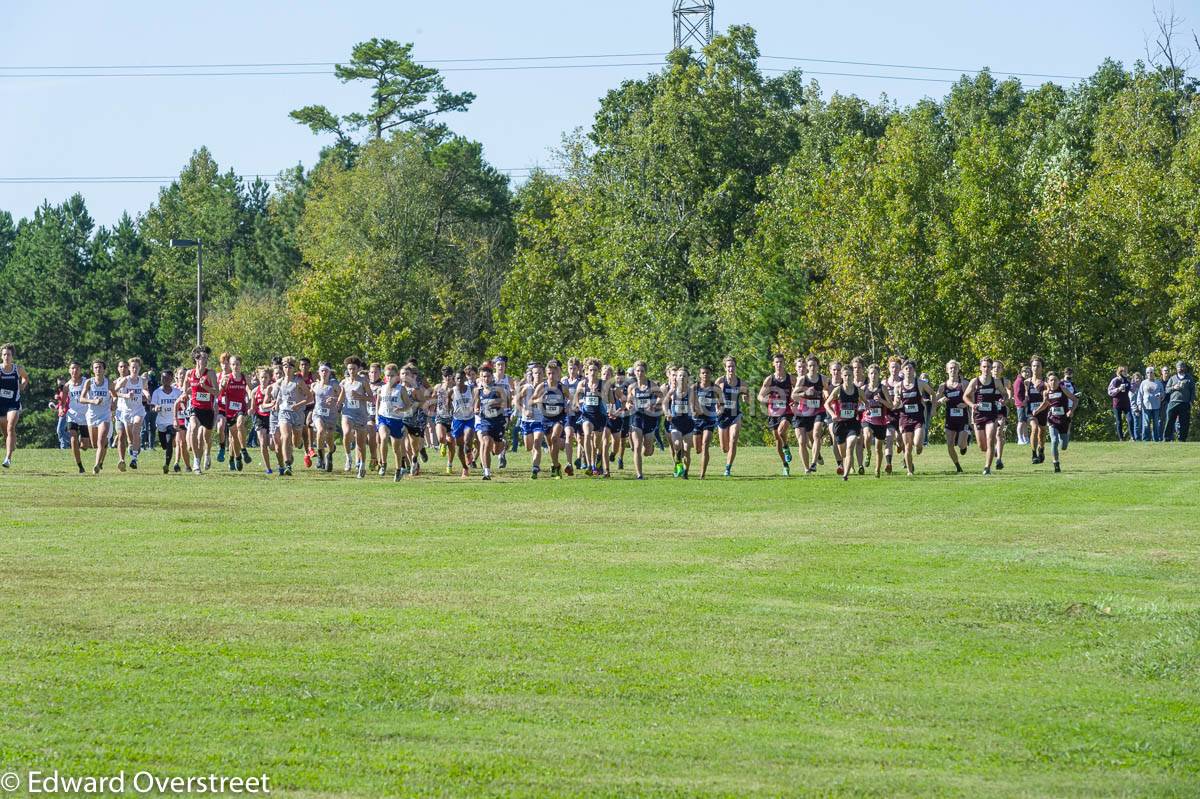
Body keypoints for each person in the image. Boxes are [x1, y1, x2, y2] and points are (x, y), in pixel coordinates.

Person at [1031, 372, 1077, 472]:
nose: (1053, 382)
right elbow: (1045, 403)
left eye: (1055, 380)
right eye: (1051, 380)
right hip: (1052, 419)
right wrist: (1037, 410)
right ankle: (1056, 463)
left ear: (1058, 381)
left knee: (1063, 446)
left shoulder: (1063, 389)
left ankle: (1066, 435)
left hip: (1064, 420)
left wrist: (1071, 410)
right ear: (1048, 382)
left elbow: (1075, 399)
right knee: (1054, 441)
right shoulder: (1047, 393)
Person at [273, 356, 312, 477]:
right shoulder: (280, 382)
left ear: (293, 368)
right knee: (285, 436)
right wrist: (276, 404)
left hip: (298, 414)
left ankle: (296, 446)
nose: (287, 369)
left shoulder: (298, 381)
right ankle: (287, 464)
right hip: (284, 413)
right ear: (282, 368)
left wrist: (298, 404)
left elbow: (310, 397)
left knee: (295, 442)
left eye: (290, 367)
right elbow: (279, 397)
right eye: (285, 366)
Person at [573, 358, 613, 476]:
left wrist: (600, 394)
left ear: (598, 371)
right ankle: (590, 465)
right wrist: (578, 404)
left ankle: (598, 458)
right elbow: (576, 396)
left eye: (595, 370)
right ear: (587, 370)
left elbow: (611, 400)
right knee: (587, 434)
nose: (592, 372)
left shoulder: (603, 383)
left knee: (596, 444)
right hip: (587, 415)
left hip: (600, 416)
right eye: (590, 370)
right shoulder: (583, 384)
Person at [965, 357, 1003, 475]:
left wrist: (1002, 400)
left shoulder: (996, 382)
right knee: (982, 446)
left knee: (990, 439)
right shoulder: (975, 381)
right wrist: (972, 405)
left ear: (991, 369)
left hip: (991, 415)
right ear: (981, 368)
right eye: (984, 366)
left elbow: (1005, 394)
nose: (986, 369)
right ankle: (992, 452)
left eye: (989, 367)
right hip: (978, 415)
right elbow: (965, 396)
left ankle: (987, 468)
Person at [895, 360, 933, 476]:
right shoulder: (898, 386)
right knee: (907, 446)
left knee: (917, 443)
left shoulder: (920, 383)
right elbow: (895, 401)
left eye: (910, 368)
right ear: (902, 371)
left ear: (914, 370)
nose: (908, 370)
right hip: (904, 418)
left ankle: (920, 447)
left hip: (918, 418)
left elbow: (932, 393)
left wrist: (933, 406)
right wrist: (896, 402)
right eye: (906, 368)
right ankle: (910, 471)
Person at [790, 356, 827, 475]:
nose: (812, 368)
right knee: (802, 441)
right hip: (802, 412)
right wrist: (805, 393)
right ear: (807, 366)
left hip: (818, 411)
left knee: (816, 434)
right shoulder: (802, 379)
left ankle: (814, 463)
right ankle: (807, 469)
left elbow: (827, 390)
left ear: (818, 366)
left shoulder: (823, 379)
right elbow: (793, 396)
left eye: (814, 365)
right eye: (810, 365)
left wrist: (826, 393)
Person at [625, 360, 661, 481]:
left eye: (642, 371)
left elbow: (662, 398)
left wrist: (654, 405)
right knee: (637, 446)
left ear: (646, 372)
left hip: (650, 418)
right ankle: (639, 474)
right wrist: (628, 406)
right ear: (635, 372)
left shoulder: (652, 385)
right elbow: (628, 401)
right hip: (637, 417)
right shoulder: (632, 387)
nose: (640, 373)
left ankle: (651, 449)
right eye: (637, 371)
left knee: (647, 450)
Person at [758, 354, 793, 476]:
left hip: (787, 411)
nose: (779, 364)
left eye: (781, 362)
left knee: (781, 431)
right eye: (776, 362)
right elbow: (760, 396)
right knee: (777, 441)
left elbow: (798, 390)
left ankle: (787, 447)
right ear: (773, 364)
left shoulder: (790, 379)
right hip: (773, 412)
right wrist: (766, 399)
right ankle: (785, 465)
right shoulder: (770, 379)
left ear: (784, 363)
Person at [826, 367, 863, 481]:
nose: (847, 378)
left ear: (853, 377)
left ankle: (845, 474)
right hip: (840, 425)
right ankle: (845, 466)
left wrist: (863, 411)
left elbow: (866, 403)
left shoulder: (858, 391)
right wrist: (832, 414)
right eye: (845, 375)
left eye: (850, 375)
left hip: (853, 424)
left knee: (850, 446)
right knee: (844, 453)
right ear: (842, 376)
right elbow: (826, 404)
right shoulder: (838, 390)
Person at [80, 359, 116, 474]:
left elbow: (115, 396)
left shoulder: (108, 383)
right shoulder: (89, 383)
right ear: (92, 370)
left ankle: (96, 466)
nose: (98, 369)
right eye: (95, 367)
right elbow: (81, 399)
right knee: (95, 444)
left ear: (104, 369)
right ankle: (101, 462)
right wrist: (93, 401)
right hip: (91, 416)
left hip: (105, 415)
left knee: (101, 441)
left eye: (100, 367)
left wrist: (114, 403)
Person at [933, 360, 969, 473]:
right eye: (951, 368)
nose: (953, 370)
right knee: (949, 445)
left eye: (955, 368)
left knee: (960, 444)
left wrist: (966, 403)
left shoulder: (963, 384)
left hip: (962, 418)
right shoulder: (943, 386)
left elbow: (973, 398)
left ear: (958, 370)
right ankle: (957, 466)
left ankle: (964, 447)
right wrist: (940, 401)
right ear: (947, 370)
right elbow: (935, 400)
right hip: (950, 418)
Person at [475, 364, 510, 481]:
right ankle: (486, 472)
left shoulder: (498, 389)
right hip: (485, 421)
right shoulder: (478, 391)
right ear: (480, 378)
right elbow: (475, 406)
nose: (486, 379)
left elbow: (504, 402)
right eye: (483, 377)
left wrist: (493, 402)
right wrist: (476, 410)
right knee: (485, 442)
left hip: (498, 422)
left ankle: (503, 443)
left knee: (496, 450)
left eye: (488, 376)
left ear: (492, 377)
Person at [218, 355, 252, 472]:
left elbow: (251, 390)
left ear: (240, 365)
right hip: (229, 411)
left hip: (241, 408)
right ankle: (237, 458)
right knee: (234, 438)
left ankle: (244, 450)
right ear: (230, 366)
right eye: (233, 364)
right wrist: (222, 385)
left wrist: (250, 404)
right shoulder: (227, 378)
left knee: (240, 424)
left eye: (237, 364)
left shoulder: (244, 377)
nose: (235, 366)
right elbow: (220, 393)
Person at [716, 355, 747, 477]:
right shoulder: (720, 382)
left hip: (735, 415)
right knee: (724, 448)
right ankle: (727, 456)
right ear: (725, 368)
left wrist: (746, 397)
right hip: (722, 416)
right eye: (728, 367)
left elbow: (747, 394)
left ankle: (728, 468)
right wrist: (717, 406)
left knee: (733, 440)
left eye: (732, 366)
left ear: (735, 367)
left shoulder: (741, 383)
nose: (731, 369)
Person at [691, 365, 724, 479]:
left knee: (705, 445)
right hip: (696, 420)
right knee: (697, 449)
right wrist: (694, 411)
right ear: (700, 375)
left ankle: (702, 474)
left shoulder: (715, 388)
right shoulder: (694, 388)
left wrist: (718, 412)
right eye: (703, 373)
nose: (705, 375)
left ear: (710, 375)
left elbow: (722, 404)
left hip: (709, 420)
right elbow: (690, 403)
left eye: (707, 373)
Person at [861, 364, 893, 478]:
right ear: (868, 375)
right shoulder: (863, 389)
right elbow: (859, 404)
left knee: (879, 448)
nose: (873, 375)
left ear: (879, 375)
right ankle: (868, 452)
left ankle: (877, 470)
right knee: (867, 435)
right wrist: (865, 407)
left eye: (875, 373)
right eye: (871, 373)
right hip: (867, 418)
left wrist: (881, 400)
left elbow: (891, 405)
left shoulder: (882, 388)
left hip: (881, 421)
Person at [516, 361, 547, 479]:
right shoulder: (526, 388)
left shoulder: (546, 387)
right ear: (532, 375)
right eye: (535, 373)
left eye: (540, 373)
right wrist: (524, 411)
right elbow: (517, 402)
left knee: (537, 442)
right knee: (529, 447)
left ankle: (535, 467)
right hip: (526, 421)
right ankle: (535, 461)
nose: (538, 375)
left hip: (540, 420)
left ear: (543, 374)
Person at [0, 344, 30, 468]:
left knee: (11, 427)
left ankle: (8, 458)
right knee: (5, 433)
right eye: (4, 354)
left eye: (9, 354)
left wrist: (23, 385)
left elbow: (25, 378)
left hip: (13, 403)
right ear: (1, 356)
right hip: (0, 404)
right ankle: (11, 444)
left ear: (12, 356)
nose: (7, 357)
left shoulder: (18, 369)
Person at [664, 365, 694, 479]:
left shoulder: (691, 391)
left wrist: (694, 411)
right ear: (676, 378)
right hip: (675, 422)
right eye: (679, 375)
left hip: (688, 422)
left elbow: (692, 404)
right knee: (677, 444)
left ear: (687, 379)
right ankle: (678, 462)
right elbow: (664, 403)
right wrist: (667, 413)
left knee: (687, 450)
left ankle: (686, 472)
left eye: (684, 376)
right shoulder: (672, 391)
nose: (681, 377)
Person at [310, 362, 340, 473]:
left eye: (326, 370)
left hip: (331, 415)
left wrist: (334, 399)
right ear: (319, 372)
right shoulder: (315, 385)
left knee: (329, 439)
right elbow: (308, 395)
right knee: (320, 431)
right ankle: (320, 457)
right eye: (322, 370)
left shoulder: (334, 384)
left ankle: (330, 453)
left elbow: (343, 396)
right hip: (318, 414)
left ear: (329, 372)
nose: (324, 373)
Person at [149, 370, 181, 474]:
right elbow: (152, 407)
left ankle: (166, 465)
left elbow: (182, 405)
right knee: (164, 445)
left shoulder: (177, 392)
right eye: (163, 378)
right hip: (161, 422)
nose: (165, 380)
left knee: (169, 441)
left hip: (172, 421)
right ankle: (167, 459)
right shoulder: (157, 392)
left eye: (167, 378)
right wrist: (156, 408)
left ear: (172, 379)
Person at [63, 361, 91, 473]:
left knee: (85, 446)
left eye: (77, 368)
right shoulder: (67, 385)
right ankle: (80, 466)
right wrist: (61, 409)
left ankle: (82, 441)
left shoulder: (86, 382)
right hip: (72, 415)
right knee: (73, 436)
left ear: (80, 370)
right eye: (72, 368)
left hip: (85, 415)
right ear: (69, 370)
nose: (75, 371)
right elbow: (63, 401)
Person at [448, 369, 476, 477]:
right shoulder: (452, 391)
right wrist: (450, 410)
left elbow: (477, 399)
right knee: (459, 446)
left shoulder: (471, 389)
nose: (460, 380)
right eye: (457, 378)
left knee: (468, 439)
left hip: (469, 418)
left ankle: (469, 452)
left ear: (465, 378)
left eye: (462, 378)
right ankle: (464, 467)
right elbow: (448, 403)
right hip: (457, 419)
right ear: (454, 380)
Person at [250, 366, 275, 475]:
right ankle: (268, 468)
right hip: (259, 418)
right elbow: (253, 407)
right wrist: (251, 410)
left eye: (265, 377)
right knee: (262, 442)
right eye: (261, 377)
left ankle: (283, 458)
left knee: (272, 445)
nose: (263, 379)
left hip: (271, 417)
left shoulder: (273, 389)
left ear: (269, 378)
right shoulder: (255, 391)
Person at [1164, 361, 1195, 442]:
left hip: (1185, 403)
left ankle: (1182, 439)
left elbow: (1193, 391)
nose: (1180, 369)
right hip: (1173, 403)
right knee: (1169, 421)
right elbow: (1167, 390)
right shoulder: (1172, 378)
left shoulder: (1189, 378)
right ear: (1176, 368)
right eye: (1179, 367)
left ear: (1185, 368)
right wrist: (1174, 387)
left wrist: (1191, 401)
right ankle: (1167, 438)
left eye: (1182, 367)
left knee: (1184, 422)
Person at [1026, 357, 1048, 465]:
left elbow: (1047, 400)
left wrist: (1040, 408)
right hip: (1031, 411)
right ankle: (1034, 454)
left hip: (1043, 410)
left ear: (1042, 368)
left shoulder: (1045, 383)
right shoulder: (1027, 382)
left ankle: (1041, 449)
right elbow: (1022, 396)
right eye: (1033, 365)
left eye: (1038, 366)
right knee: (1034, 428)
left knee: (1042, 432)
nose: (1035, 368)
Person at [1138, 367, 1165, 442]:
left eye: (1151, 372)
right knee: (1146, 424)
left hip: (1156, 406)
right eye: (1148, 372)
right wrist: (1139, 405)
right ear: (1146, 374)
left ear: (1154, 373)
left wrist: (1160, 395)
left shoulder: (1158, 383)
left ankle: (1156, 439)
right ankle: (1145, 439)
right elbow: (1139, 395)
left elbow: (1163, 394)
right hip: (1146, 407)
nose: (1149, 374)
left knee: (1156, 424)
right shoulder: (1143, 383)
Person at [1107, 366, 1134, 441]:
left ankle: (1132, 437)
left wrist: (1133, 382)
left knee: (1130, 419)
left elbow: (1133, 390)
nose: (1126, 372)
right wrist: (1118, 389)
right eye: (1124, 371)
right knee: (1119, 421)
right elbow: (1110, 392)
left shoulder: (1127, 380)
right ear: (1120, 372)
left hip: (1126, 403)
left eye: (1126, 371)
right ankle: (1121, 438)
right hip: (1117, 404)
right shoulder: (1115, 380)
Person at [1013, 365, 1030, 446]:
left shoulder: (1024, 381)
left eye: (1028, 372)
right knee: (1021, 422)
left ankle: (1026, 438)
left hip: (1025, 404)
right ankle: (1020, 439)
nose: (1027, 373)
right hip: (1021, 404)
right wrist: (1022, 402)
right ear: (1021, 372)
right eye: (1025, 372)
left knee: (1025, 422)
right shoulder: (1019, 381)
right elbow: (1017, 394)